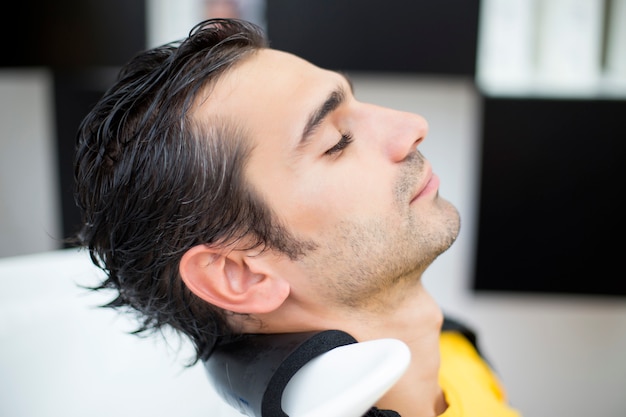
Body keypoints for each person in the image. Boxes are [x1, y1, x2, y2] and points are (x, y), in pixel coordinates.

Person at [73, 18, 522, 417]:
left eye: (355, 101)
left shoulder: (453, 353)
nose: (412, 125)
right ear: (239, 272)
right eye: (337, 141)